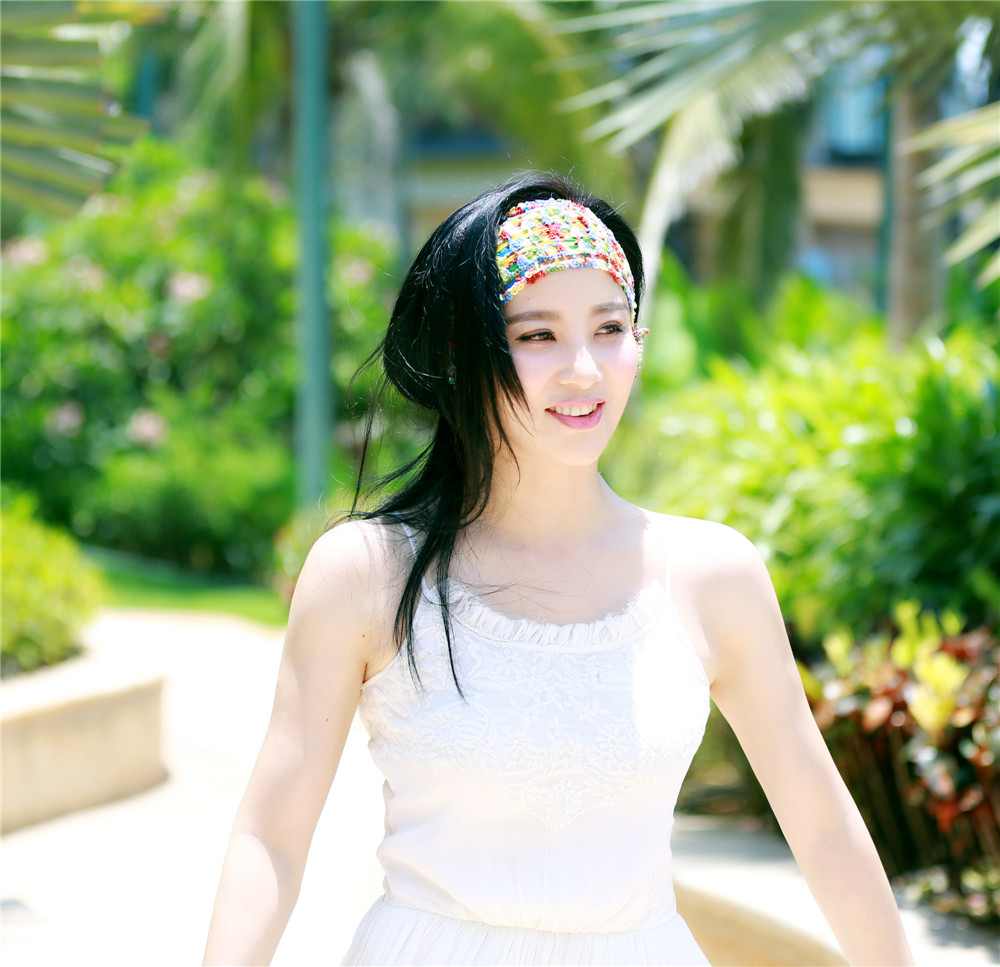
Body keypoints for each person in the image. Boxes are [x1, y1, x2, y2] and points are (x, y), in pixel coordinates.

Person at [204, 173, 914, 966]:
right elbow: (271, 837)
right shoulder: (368, 573)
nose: (584, 368)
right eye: (537, 335)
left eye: (609, 328)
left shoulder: (712, 576)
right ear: (460, 354)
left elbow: (822, 827)